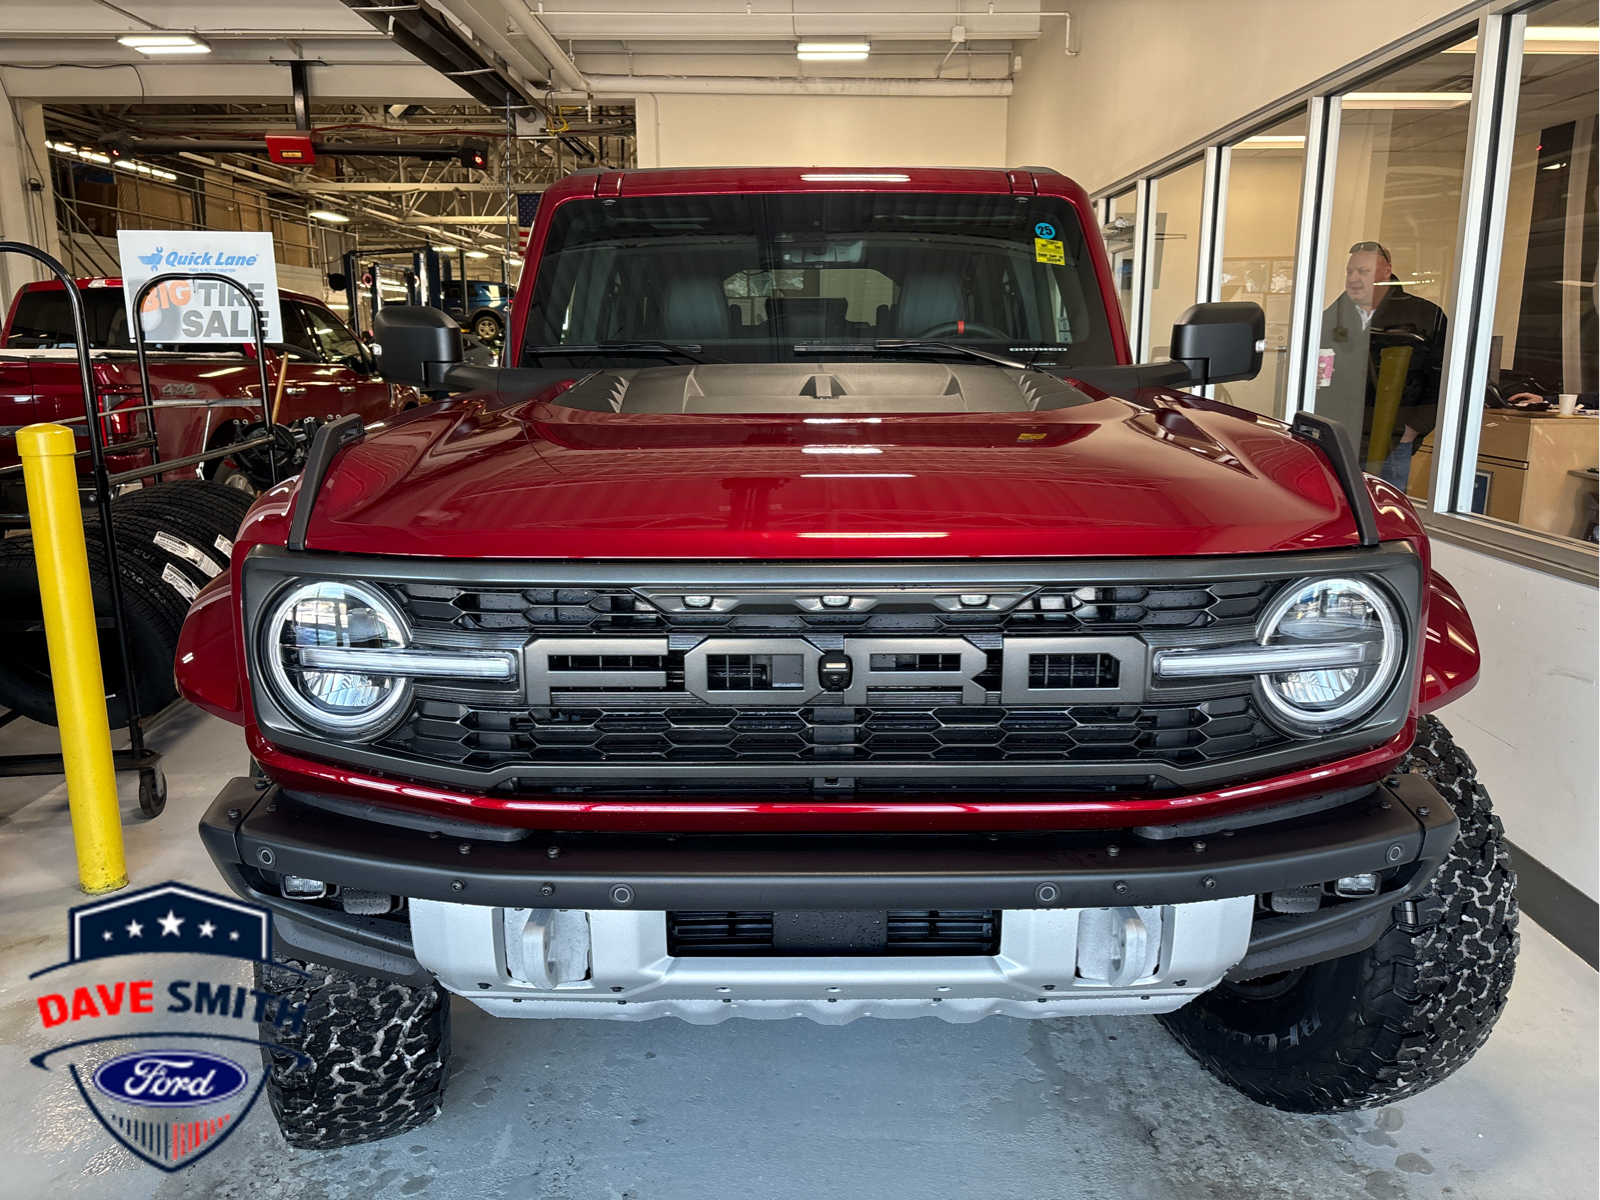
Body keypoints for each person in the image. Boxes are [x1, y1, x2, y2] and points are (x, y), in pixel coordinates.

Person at [1317, 241, 1448, 491]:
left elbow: (1444, 378)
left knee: (1384, 515)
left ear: (1386, 271)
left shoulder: (1424, 316)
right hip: (1337, 439)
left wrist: (1414, 427)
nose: (1353, 278)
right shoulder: (1330, 317)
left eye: (1363, 272)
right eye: (1349, 271)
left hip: (1392, 441)